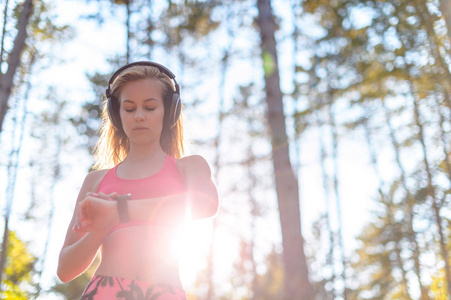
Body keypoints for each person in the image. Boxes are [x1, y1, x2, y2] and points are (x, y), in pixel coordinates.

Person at [57, 61, 219, 299]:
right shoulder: (95, 181)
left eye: (150, 107)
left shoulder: (189, 166)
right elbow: (65, 270)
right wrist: (100, 227)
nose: (139, 116)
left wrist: (118, 210)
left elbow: (204, 203)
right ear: (116, 114)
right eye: (129, 109)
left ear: (169, 111)